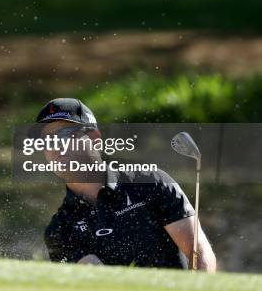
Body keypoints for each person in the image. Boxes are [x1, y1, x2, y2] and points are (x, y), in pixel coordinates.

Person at [31, 98, 216, 271]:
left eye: (63, 135)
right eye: (46, 141)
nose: (55, 146)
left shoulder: (150, 183)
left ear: (95, 138)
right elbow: (98, 283)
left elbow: (199, 254)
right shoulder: (60, 229)